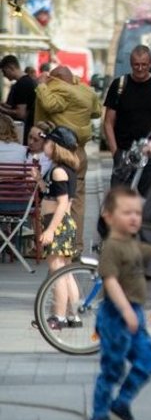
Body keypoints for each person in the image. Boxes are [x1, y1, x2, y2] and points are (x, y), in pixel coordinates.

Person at [87, 186, 151, 420]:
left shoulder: (132, 244)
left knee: (148, 360)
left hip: (134, 314)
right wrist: (126, 310)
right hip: (116, 316)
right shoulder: (112, 247)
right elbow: (110, 281)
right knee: (113, 367)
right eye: (127, 212)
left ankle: (121, 404)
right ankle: (99, 416)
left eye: (137, 213)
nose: (134, 218)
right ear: (109, 217)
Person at [34, 65, 102, 254]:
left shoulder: (60, 90)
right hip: (80, 151)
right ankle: (77, 246)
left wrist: (42, 84)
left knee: (55, 198)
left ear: (56, 78)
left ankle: (55, 243)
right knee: (77, 199)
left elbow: (49, 105)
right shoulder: (85, 92)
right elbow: (97, 112)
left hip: (61, 153)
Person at [104, 45, 151, 195]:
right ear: (130, 64)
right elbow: (108, 122)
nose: (140, 68)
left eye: (144, 65)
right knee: (118, 198)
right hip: (125, 153)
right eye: (136, 65)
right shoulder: (119, 85)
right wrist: (115, 152)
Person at [37, 126, 82, 329]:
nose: (44, 145)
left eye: (47, 142)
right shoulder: (62, 170)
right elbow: (51, 193)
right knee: (66, 272)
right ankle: (74, 315)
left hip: (57, 224)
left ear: (56, 146)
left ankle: (59, 317)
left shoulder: (58, 171)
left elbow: (62, 204)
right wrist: (39, 180)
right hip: (63, 224)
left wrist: (50, 230)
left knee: (57, 273)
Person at [0, 55, 37, 144]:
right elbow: (20, 106)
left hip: (24, 130)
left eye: (4, 71)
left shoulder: (22, 84)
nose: (4, 75)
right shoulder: (27, 81)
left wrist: (2, 109)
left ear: (11, 67)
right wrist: (4, 106)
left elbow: (21, 113)